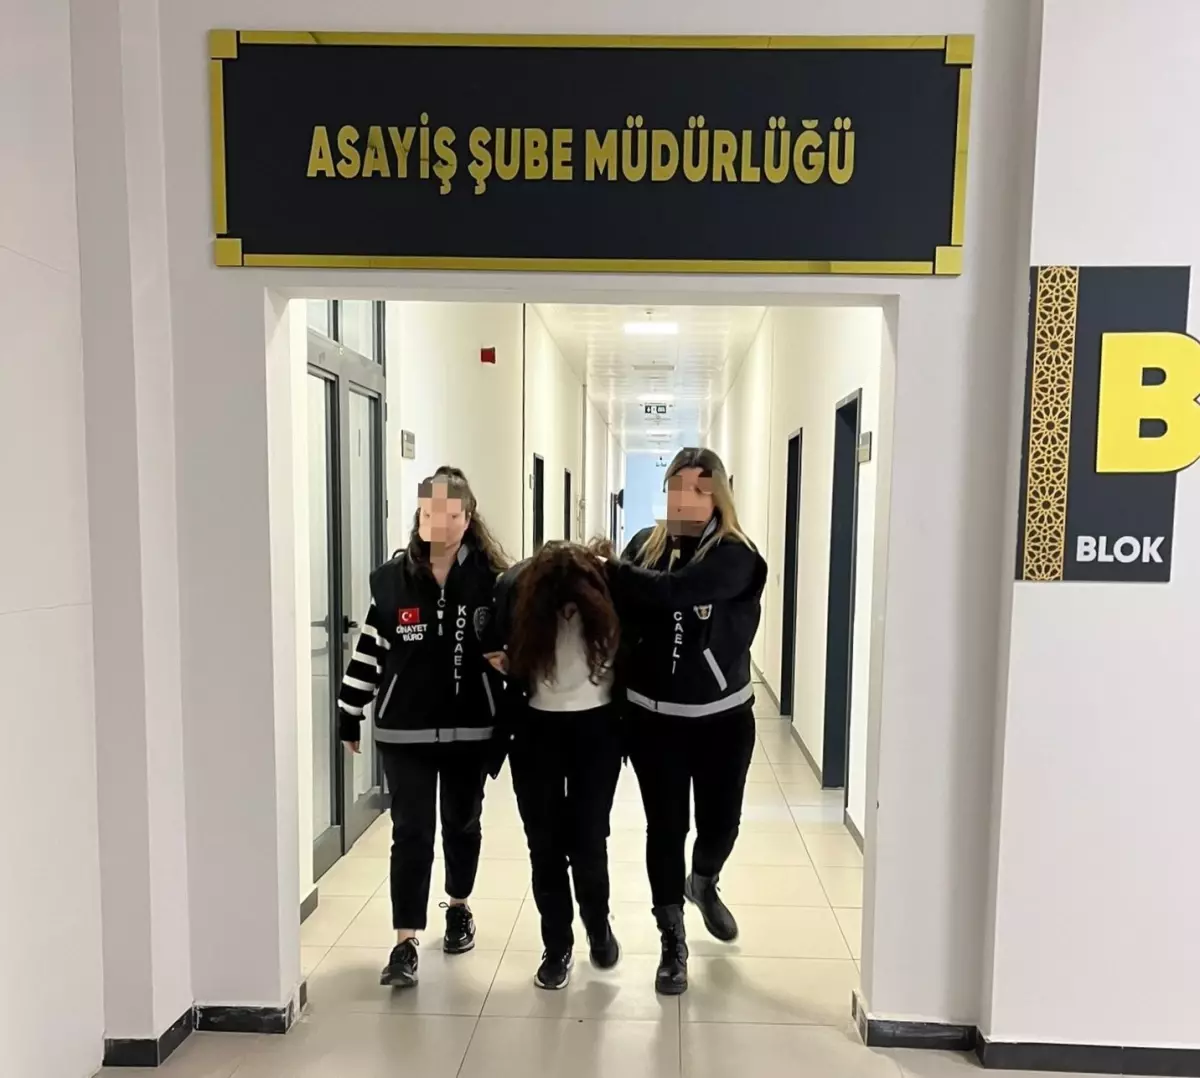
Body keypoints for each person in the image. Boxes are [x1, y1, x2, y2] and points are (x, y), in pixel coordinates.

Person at [336, 466, 509, 989]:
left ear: (468, 517)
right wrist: (349, 710)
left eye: (453, 514)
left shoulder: (493, 581)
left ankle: (458, 906)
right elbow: (369, 651)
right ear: (420, 515)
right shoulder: (393, 581)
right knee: (410, 832)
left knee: (462, 824)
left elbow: (513, 649)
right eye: (432, 512)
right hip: (405, 732)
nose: (441, 522)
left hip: (469, 731)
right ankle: (405, 941)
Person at [607, 447, 768, 996]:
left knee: (721, 824)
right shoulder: (643, 549)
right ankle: (671, 939)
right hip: (654, 724)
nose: (686, 499)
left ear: (718, 494)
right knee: (665, 829)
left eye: (700, 489)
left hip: (723, 722)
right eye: (677, 487)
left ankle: (703, 880)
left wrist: (613, 571)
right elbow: (616, 611)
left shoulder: (737, 556)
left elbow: (675, 593)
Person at [486, 540, 625, 990]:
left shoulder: (609, 599)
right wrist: (499, 659)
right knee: (544, 846)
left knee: (588, 840)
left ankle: (597, 925)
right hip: (535, 733)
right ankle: (557, 944)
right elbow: (487, 638)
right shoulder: (519, 598)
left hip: (597, 732)